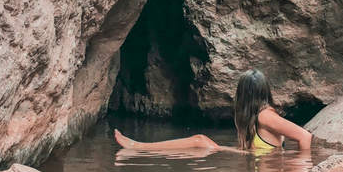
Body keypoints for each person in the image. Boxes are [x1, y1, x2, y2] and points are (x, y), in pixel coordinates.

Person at [114, 69, 312, 154]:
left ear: (244, 94)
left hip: (258, 160)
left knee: (199, 141)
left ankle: (138, 147)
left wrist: (300, 168)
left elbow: (305, 137)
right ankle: (138, 147)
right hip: (250, 157)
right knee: (198, 144)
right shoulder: (260, 114)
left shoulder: (265, 115)